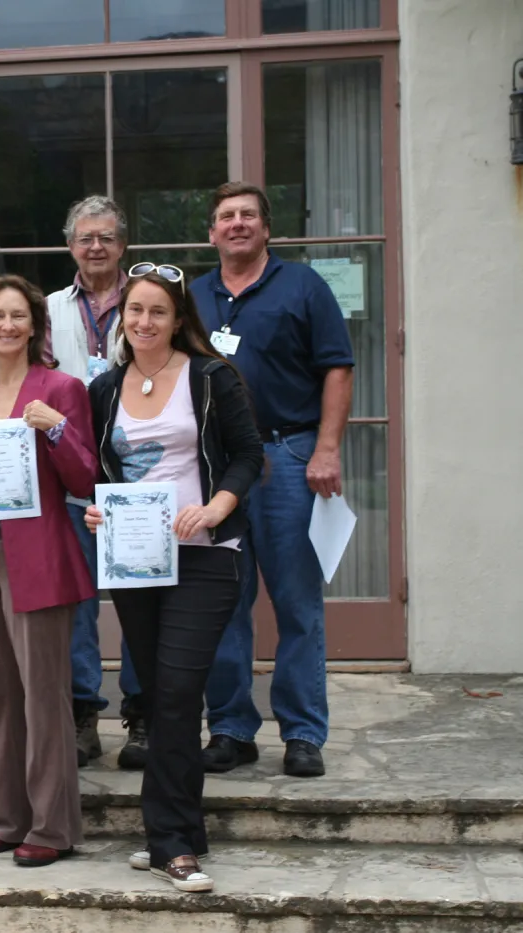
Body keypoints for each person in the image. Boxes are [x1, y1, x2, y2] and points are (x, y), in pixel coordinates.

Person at [85, 263, 264, 894]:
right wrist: (95, 507)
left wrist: (218, 506)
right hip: (137, 559)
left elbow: (248, 455)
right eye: (135, 310)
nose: (144, 322)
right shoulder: (105, 388)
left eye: (158, 311)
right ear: (121, 318)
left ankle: (169, 844)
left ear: (179, 318)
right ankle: (178, 833)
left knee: (182, 692)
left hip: (207, 556)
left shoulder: (211, 377)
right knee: (161, 698)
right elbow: (100, 469)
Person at [191, 182, 355, 779]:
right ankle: (231, 729)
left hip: (290, 455)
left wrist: (327, 448)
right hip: (215, 470)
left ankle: (303, 732)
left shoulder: (304, 287)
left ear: (266, 229)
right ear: (211, 232)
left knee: (296, 602)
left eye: (248, 216)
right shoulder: (193, 296)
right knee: (223, 605)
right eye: (226, 217)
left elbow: (337, 367)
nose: (237, 224)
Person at [0, 275, 97, 868]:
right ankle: (7, 818)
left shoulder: (62, 388)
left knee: (43, 698)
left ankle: (52, 828)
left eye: (18, 317)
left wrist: (54, 427)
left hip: (42, 558)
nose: (7, 326)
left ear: (35, 326)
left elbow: (84, 479)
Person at [45, 196, 146, 770]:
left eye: (107, 237)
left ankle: (141, 712)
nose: (96, 247)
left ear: (122, 244)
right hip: (71, 473)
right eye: (85, 238)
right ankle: (84, 712)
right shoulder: (49, 308)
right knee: (79, 602)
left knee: (137, 598)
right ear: (70, 246)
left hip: (136, 471)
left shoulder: (145, 305)